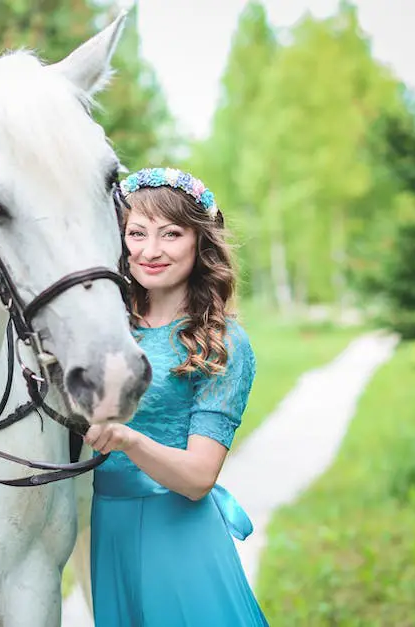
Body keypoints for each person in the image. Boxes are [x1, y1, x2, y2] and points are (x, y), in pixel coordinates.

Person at [85, 167, 268, 626]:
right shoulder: (105, 329)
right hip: (109, 528)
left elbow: (198, 478)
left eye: (170, 234)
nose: (150, 251)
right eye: (136, 233)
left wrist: (129, 441)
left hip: (179, 534)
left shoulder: (220, 343)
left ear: (198, 242)